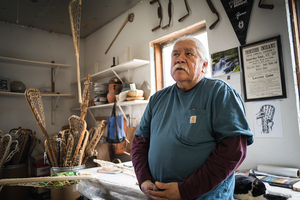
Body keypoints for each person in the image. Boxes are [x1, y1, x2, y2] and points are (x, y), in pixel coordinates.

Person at [131, 36, 253, 200]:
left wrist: (185, 190)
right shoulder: (157, 99)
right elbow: (140, 143)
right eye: (175, 54)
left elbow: (233, 151)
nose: (179, 58)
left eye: (189, 54)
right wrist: (144, 179)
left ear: (204, 66)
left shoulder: (220, 93)